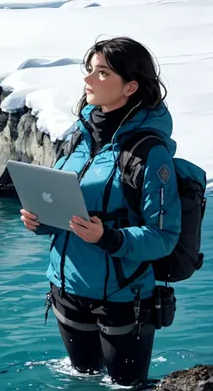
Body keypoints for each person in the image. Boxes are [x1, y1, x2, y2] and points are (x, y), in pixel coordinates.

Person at [21, 37, 181, 387]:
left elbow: (164, 236)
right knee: (83, 381)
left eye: (102, 73)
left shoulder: (149, 153)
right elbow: (62, 207)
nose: (88, 80)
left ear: (130, 87)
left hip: (124, 299)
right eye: (89, 70)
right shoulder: (77, 139)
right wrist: (40, 222)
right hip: (66, 289)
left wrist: (108, 237)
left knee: (127, 386)